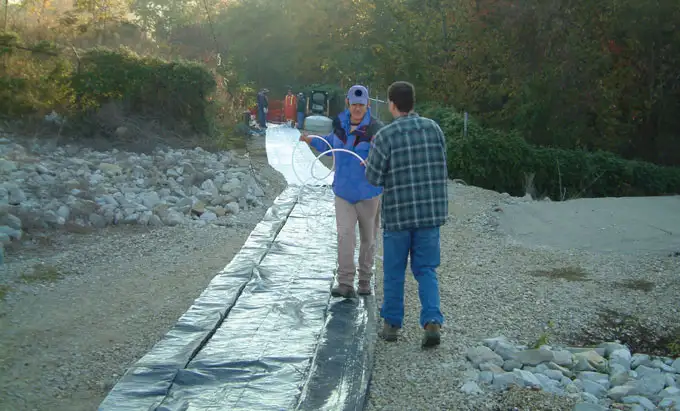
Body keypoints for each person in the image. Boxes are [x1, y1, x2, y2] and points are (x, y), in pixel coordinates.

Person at [364, 81, 448, 348]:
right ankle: (432, 321)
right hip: (429, 214)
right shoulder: (434, 129)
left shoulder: (386, 136)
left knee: (394, 271)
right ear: (413, 101)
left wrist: (369, 163)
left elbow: (374, 178)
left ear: (391, 103)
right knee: (426, 269)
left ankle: (391, 325)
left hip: (398, 216)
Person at [299, 85, 384, 298]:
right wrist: (310, 140)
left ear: (368, 105)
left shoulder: (376, 130)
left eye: (361, 105)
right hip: (343, 193)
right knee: (345, 235)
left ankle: (365, 280)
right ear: (348, 103)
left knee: (369, 239)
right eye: (354, 104)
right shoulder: (339, 125)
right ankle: (345, 282)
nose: (357, 109)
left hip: (369, 193)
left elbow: (385, 155)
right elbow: (328, 144)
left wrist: (373, 160)